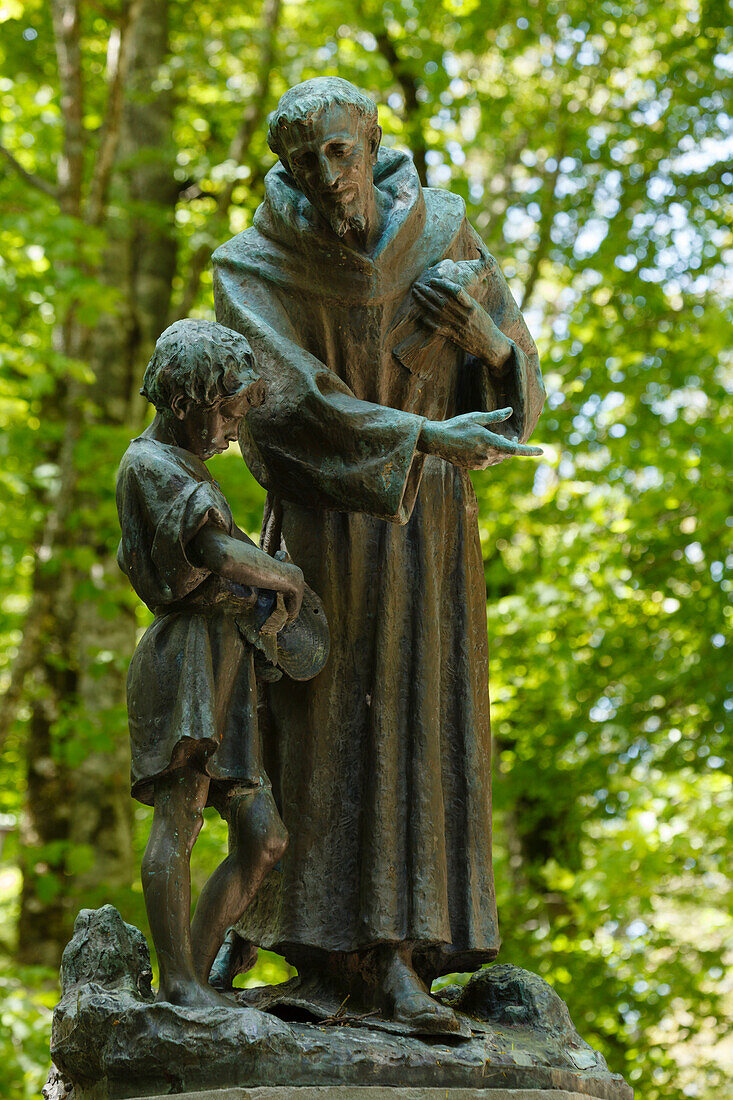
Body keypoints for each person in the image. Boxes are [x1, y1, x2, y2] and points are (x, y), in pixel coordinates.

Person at [213, 78, 545, 1034]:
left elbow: (516, 383)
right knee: (323, 733)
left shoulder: (445, 231)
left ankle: (404, 959)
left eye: (341, 151)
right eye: (306, 161)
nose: (328, 176)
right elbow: (283, 405)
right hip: (325, 529)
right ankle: (320, 956)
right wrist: (422, 440)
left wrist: (478, 334)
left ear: (370, 139)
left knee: (424, 723)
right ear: (285, 169)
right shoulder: (251, 266)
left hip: (432, 532)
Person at [116, 318, 319, 1008]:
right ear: (188, 400)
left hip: (224, 660)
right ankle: (178, 983)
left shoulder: (186, 466)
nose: (235, 427)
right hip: (186, 660)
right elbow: (215, 555)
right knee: (180, 816)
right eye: (229, 410)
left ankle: (194, 981)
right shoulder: (150, 464)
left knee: (263, 838)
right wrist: (284, 579)